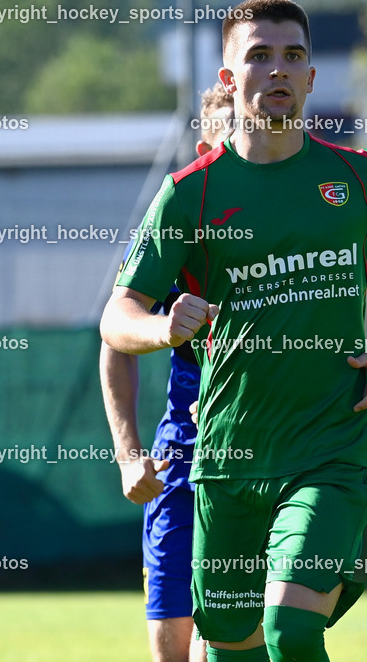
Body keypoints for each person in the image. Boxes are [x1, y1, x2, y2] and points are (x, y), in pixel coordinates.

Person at [101, 0, 367, 662]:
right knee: (227, 650)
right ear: (229, 79)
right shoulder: (189, 194)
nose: (278, 70)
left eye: (293, 56)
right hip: (226, 460)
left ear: (312, 76)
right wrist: (163, 328)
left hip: (330, 451)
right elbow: (117, 317)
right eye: (259, 56)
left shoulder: (360, 177)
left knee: (291, 629)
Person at [100, 83, 234, 662]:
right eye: (232, 131)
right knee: (172, 638)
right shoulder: (181, 221)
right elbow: (114, 338)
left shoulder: (294, 222)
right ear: (207, 143)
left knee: (231, 631)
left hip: (264, 455)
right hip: (182, 455)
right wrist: (130, 454)